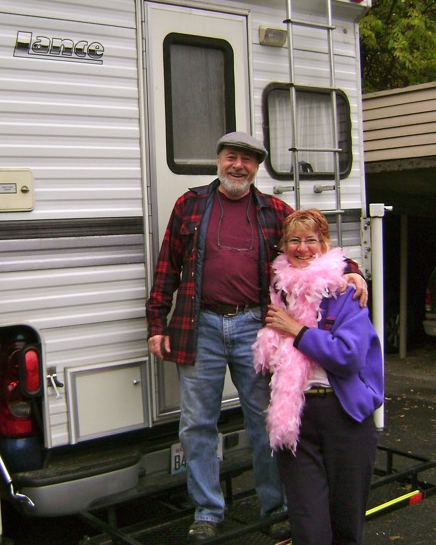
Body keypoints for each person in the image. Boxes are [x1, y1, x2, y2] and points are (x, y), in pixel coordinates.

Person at [145, 132, 368, 543]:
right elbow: (167, 267)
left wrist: (351, 268)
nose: (238, 166)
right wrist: (157, 324)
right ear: (218, 160)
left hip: (257, 325)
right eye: (232, 157)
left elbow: (312, 241)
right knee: (197, 424)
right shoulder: (190, 204)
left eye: (247, 161)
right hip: (201, 325)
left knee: (265, 420)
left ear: (255, 168)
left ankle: (275, 506)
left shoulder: (273, 210)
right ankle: (208, 511)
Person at [253, 209, 384, 545]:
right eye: (294, 240)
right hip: (295, 417)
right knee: (309, 531)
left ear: (324, 245)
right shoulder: (277, 291)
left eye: (311, 240)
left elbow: (349, 356)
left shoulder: (344, 291)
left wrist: (297, 331)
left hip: (345, 417)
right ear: (283, 246)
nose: (303, 248)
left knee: (345, 529)